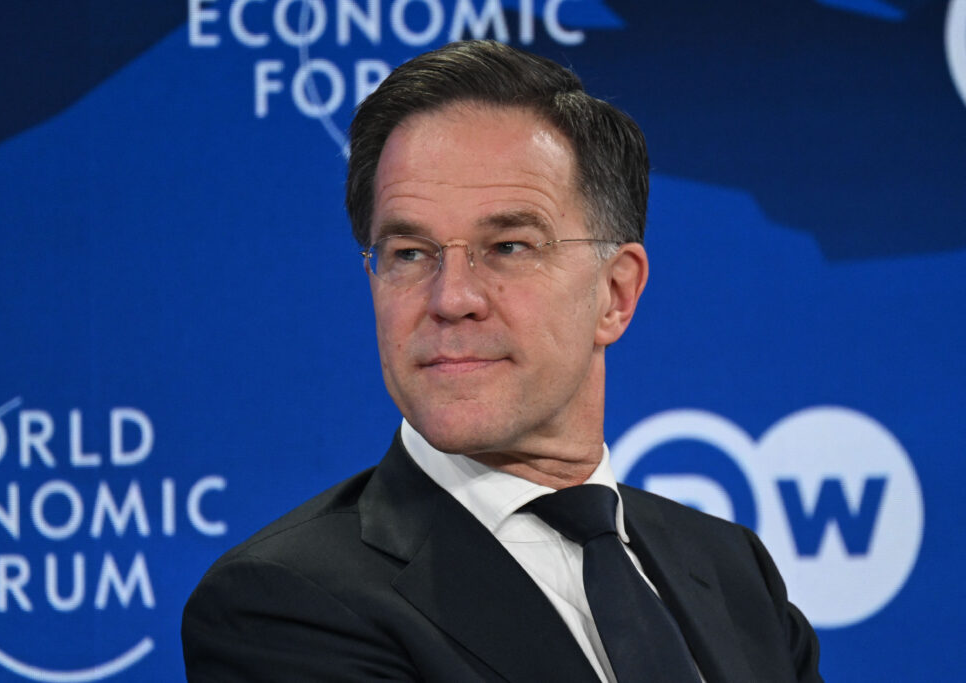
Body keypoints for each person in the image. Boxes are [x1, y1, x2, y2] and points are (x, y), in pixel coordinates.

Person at [181, 40, 822, 682]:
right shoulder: (283, 604)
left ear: (615, 293)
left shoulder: (732, 570)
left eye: (509, 246)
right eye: (409, 253)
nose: (451, 298)